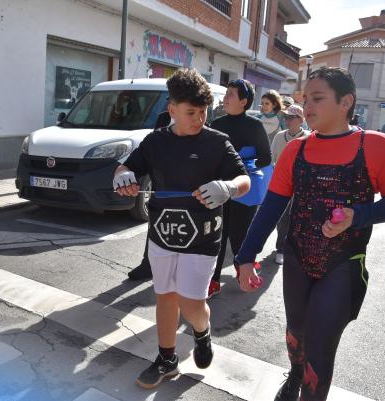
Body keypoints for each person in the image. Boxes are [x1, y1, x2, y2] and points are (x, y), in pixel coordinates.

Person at [235, 67, 385, 401]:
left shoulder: (374, 146)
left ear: (346, 102)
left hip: (343, 265)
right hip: (299, 259)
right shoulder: (295, 150)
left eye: (317, 98)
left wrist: (357, 216)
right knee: (295, 334)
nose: (307, 106)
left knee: (320, 346)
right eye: (305, 99)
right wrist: (245, 257)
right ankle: (294, 377)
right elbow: (271, 208)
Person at [113, 68, 250, 389]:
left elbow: (243, 180)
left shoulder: (217, 142)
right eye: (191, 113)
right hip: (161, 235)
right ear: (172, 109)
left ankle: (202, 332)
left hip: (202, 238)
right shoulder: (155, 141)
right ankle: (166, 358)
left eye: (203, 112)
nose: (199, 118)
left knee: (191, 303)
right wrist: (122, 177)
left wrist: (227, 187)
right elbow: (126, 167)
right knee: (165, 297)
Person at [206, 79, 271, 298]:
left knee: (240, 235)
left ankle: (242, 266)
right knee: (218, 235)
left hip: (245, 189)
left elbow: (266, 158)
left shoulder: (255, 126)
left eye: (231, 94)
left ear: (244, 102)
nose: (225, 98)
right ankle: (213, 279)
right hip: (220, 189)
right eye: (226, 94)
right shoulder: (216, 124)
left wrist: (243, 163)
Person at [127, 110, 172, 281]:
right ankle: (148, 264)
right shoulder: (163, 117)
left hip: (184, 193)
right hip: (160, 185)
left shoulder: (198, 120)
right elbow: (153, 147)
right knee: (154, 227)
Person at [270, 104, 309, 265]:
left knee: (299, 217)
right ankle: (280, 248)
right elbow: (272, 158)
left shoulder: (309, 137)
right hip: (282, 184)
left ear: (301, 120)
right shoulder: (279, 136)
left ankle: (294, 246)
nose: (287, 120)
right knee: (283, 218)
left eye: (291, 117)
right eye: (286, 117)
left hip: (302, 185)